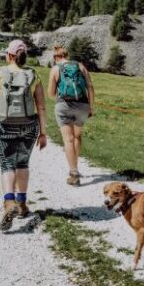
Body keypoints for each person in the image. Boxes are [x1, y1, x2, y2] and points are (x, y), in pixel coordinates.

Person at [0, 39, 47, 232]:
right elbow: (41, 106)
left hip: (4, 124)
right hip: (29, 125)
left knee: (7, 164)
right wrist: (43, 133)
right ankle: (22, 203)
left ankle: (9, 201)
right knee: (22, 163)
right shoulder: (33, 75)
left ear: (9, 55)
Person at [47, 45, 94, 186]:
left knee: (68, 140)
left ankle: (74, 173)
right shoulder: (80, 66)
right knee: (77, 136)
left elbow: (50, 93)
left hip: (64, 106)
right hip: (82, 105)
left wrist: (60, 97)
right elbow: (90, 86)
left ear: (56, 57)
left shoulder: (55, 69)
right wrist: (91, 106)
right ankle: (76, 163)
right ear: (66, 55)